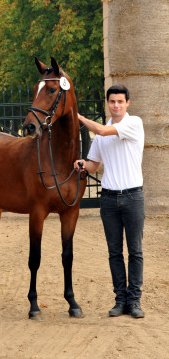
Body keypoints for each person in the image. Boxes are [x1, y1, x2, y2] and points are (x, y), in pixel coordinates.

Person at [74, 85, 145, 318]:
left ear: (128, 103)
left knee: (134, 251)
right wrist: (82, 165)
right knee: (114, 252)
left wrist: (79, 117)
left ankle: (134, 302)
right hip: (109, 199)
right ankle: (120, 301)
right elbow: (94, 164)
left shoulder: (133, 123)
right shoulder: (102, 134)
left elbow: (104, 131)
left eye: (120, 101)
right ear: (107, 103)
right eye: (112, 101)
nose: (116, 105)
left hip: (133, 196)